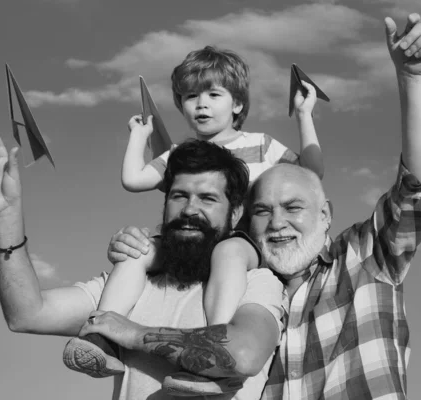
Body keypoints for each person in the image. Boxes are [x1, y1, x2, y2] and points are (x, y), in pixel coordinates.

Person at [107, 13, 421, 399]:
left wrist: (412, 80)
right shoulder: (254, 301)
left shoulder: (361, 259)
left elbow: (417, 184)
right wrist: (134, 250)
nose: (277, 222)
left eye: (293, 207)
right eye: (262, 210)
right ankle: (104, 339)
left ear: (326, 215)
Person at [63, 44, 325, 379]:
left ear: (238, 104)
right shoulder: (178, 154)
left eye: (214, 94)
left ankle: (213, 355)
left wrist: (304, 115)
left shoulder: (261, 144)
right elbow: (134, 179)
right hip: (189, 241)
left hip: (239, 240)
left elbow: (311, 171)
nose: (201, 104)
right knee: (137, 251)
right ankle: (101, 337)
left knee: (228, 252)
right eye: (190, 96)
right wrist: (138, 136)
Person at [0, 136, 285, 399]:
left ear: (235, 214)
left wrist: (134, 334)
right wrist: (6, 215)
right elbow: (26, 314)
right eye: (179, 196)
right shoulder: (131, 282)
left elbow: (243, 355)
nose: (190, 209)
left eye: (207, 199)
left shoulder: (255, 282)